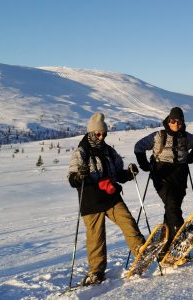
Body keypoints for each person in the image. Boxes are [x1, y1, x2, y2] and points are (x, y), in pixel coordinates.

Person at [68, 112, 145, 286]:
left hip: (110, 196)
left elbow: (118, 173)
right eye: (98, 134)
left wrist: (129, 173)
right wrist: (79, 176)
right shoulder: (81, 152)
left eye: (104, 134)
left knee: (128, 221)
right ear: (91, 132)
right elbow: (72, 178)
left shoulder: (109, 151)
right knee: (96, 238)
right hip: (91, 199)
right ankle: (96, 272)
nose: (101, 137)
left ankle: (141, 251)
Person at [134, 107, 193, 257]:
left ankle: (165, 246)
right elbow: (139, 146)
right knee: (172, 204)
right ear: (168, 120)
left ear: (182, 122)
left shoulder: (186, 137)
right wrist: (144, 165)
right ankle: (181, 237)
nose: (175, 124)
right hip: (161, 175)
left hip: (180, 175)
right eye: (173, 121)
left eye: (179, 121)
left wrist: (191, 157)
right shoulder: (159, 135)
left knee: (171, 208)